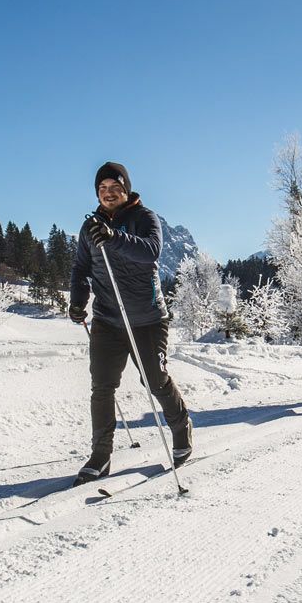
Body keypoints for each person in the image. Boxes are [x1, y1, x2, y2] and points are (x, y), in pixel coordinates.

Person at [69, 162, 192, 485]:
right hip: (108, 319)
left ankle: (181, 427)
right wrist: (78, 300)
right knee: (102, 386)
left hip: (147, 318)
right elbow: (81, 268)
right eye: (103, 189)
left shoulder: (144, 218)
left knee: (155, 381)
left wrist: (114, 237)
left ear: (126, 189)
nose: (109, 194)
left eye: (115, 188)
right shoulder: (89, 227)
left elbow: (151, 252)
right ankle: (100, 455)